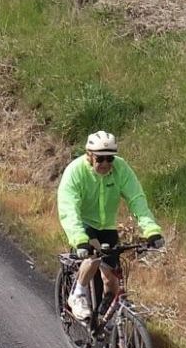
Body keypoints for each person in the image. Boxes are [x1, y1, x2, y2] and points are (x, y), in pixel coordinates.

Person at [58, 131, 163, 321]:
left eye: (110, 158)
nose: (105, 164)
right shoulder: (75, 172)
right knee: (93, 258)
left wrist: (151, 230)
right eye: (100, 159)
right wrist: (80, 239)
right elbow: (68, 208)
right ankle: (78, 295)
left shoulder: (121, 169)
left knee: (111, 280)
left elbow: (136, 199)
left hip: (107, 226)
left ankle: (107, 320)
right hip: (84, 224)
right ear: (89, 155)